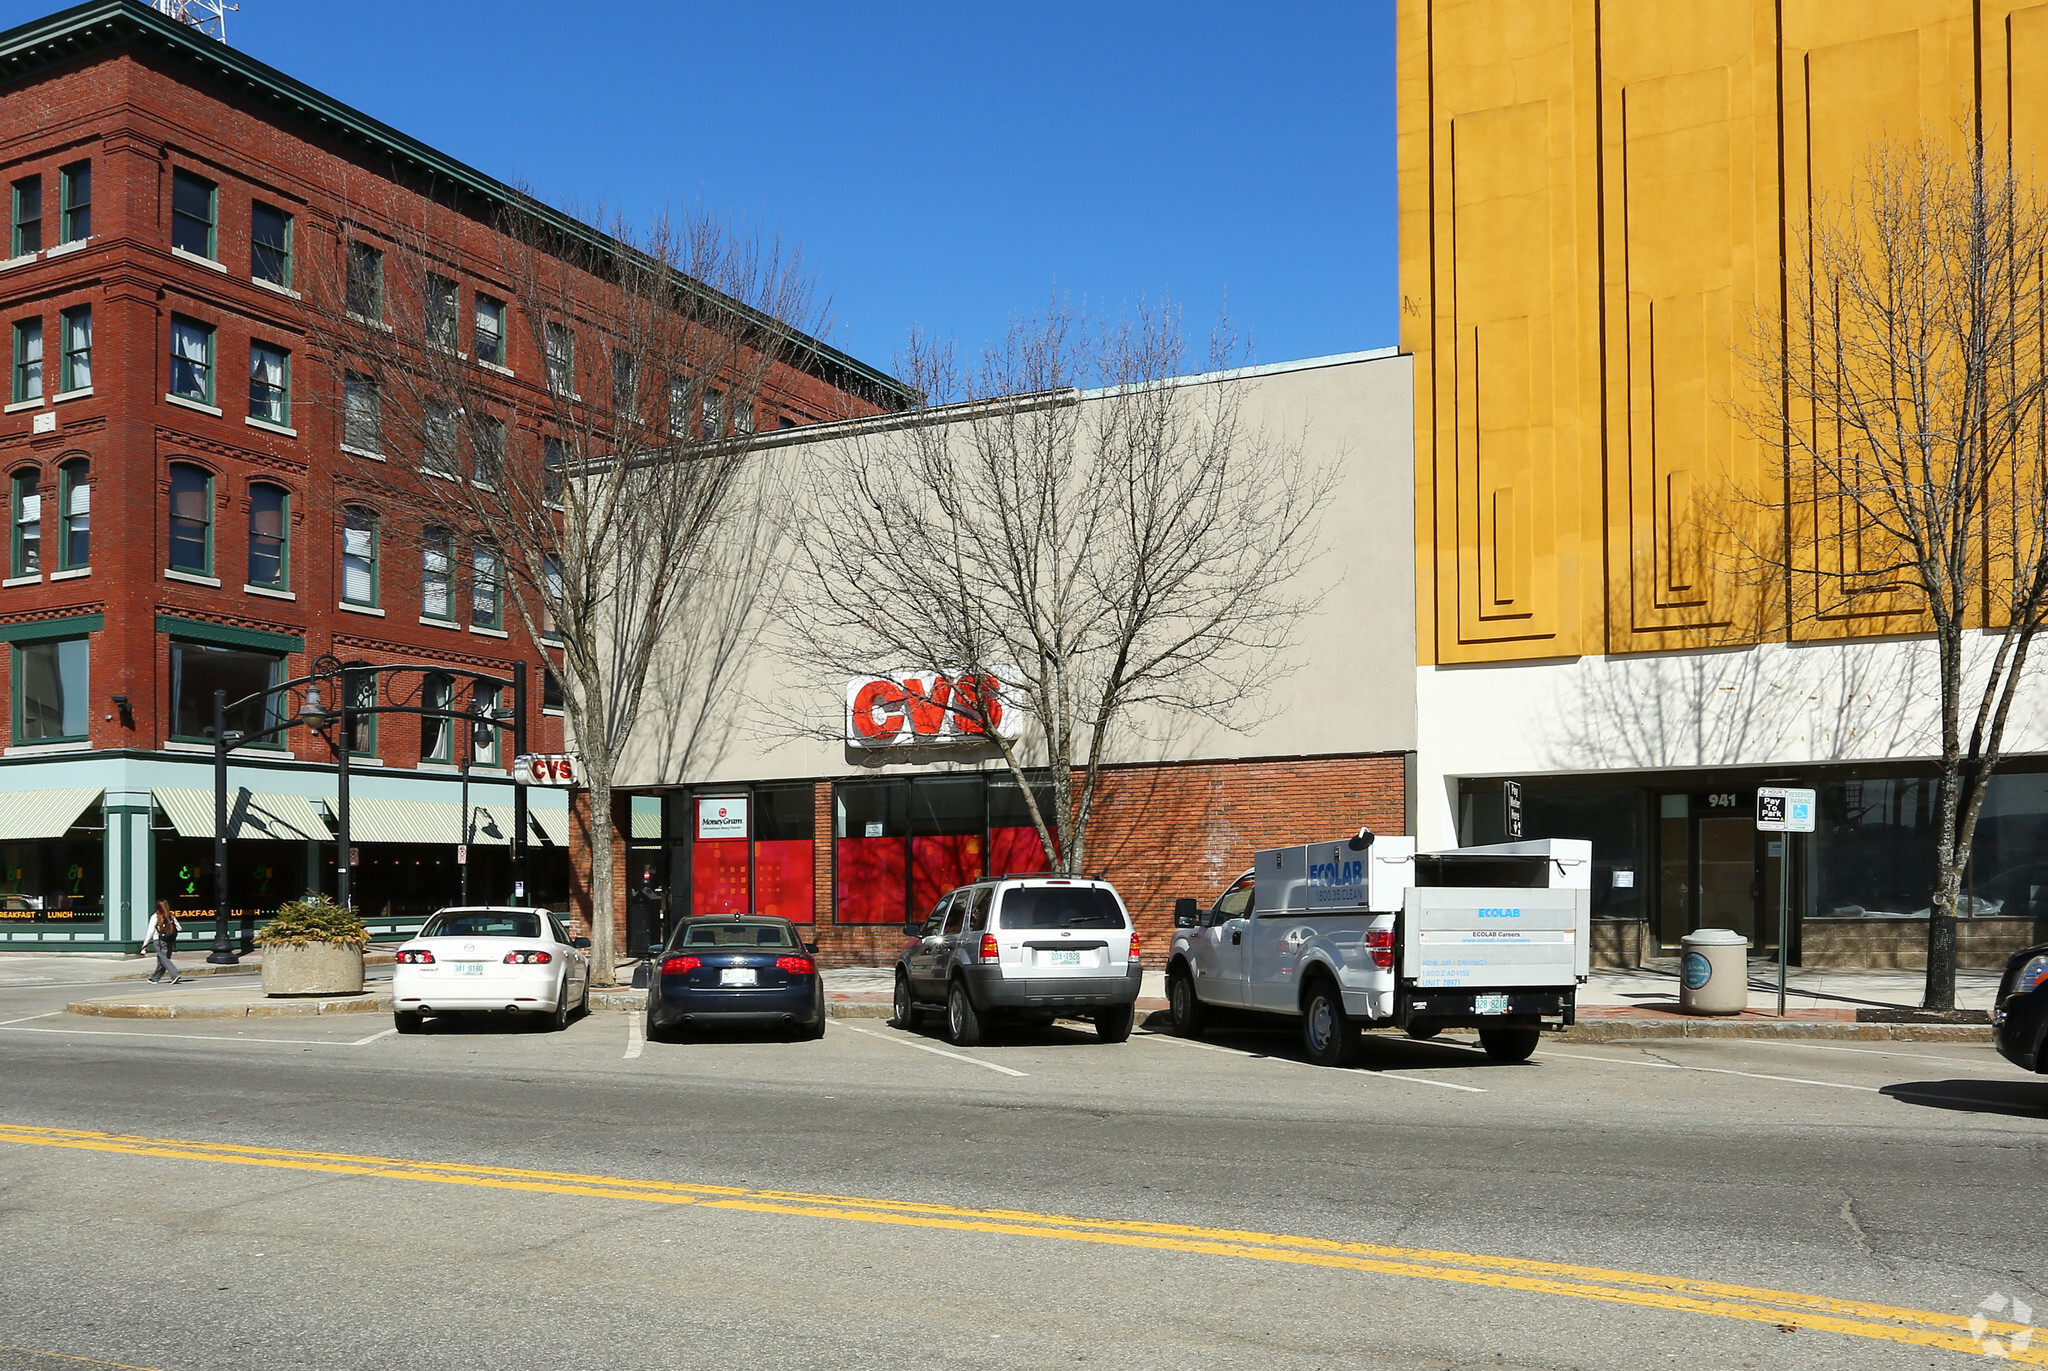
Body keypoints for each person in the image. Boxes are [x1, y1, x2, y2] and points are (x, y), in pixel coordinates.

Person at [144, 900, 184, 985]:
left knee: (163, 958)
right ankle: (155, 978)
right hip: (169, 940)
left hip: (159, 940)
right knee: (162, 959)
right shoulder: (170, 916)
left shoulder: (155, 916)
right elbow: (179, 928)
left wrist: (145, 944)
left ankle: (174, 974)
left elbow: (150, 932)